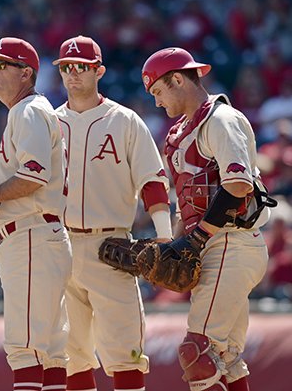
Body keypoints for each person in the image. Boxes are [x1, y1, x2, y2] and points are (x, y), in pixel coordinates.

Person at [141, 47, 273, 391]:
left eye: (158, 91)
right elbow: (190, 202)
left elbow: (238, 185)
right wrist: (174, 244)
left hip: (232, 242)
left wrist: (195, 239)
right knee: (226, 358)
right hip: (216, 244)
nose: (157, 103)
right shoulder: (184, 131)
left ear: (177, 79)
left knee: (196, 352)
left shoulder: (220, 119)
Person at [54, 35, 172, 391]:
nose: (74, 74)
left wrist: (164, 237)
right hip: (60, 245)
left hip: (112, 245)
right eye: (67, 67)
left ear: (99, 70)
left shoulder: (124, 120)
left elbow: (153, 181)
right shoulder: (47, 121)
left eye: (83, 67)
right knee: (71, 354)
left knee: (126, 352)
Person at [0, 37, 72, 391]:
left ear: (26, 72)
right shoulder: (34, 110)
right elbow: (30, 170)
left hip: (30, 236)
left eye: (0, 65)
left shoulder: (27, 110)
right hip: (44, 233)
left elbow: (32, 176)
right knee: (52, 351)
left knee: (25, 348)